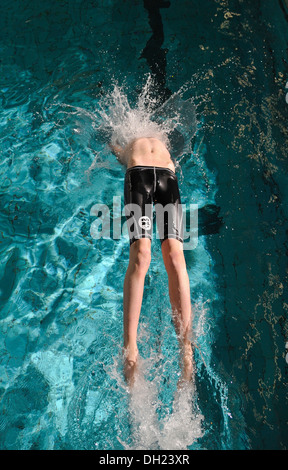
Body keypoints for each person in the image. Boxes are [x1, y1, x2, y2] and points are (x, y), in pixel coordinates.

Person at [110, 137, 193, 387]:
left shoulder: (164, 130)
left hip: (168, 176)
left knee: (175, 255)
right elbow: (116, 150)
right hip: (138, 175)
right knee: (142, 253)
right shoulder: (124, 128)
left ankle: (186, 349)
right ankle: (130, 348)